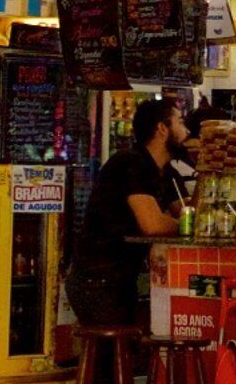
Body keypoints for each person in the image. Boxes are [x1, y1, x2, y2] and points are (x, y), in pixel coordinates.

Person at [69, 97, 185, 328]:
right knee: (118, 354)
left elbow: (190, 212)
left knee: (129, 351)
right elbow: (152, 225)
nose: (187, 130)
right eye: (180, 122)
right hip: (97, 280)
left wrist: (206, 171)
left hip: (122, 279)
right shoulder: (131, 163)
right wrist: (184, 223)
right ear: (162, 129)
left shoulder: (167, 172)